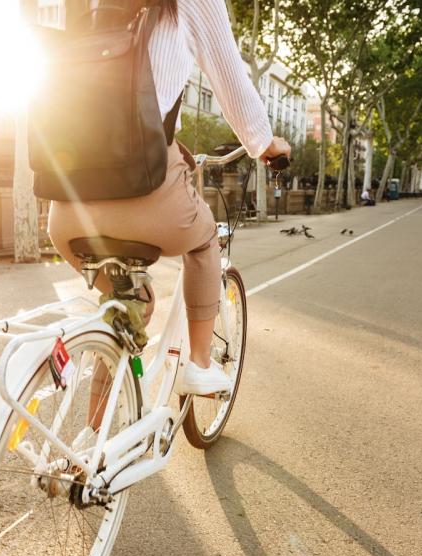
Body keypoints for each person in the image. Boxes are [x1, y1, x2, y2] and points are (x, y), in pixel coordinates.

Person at [48, 0, 290, 395]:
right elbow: (232, 81)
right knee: (205, 238)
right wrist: (265, 144)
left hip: (65, 215)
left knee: (127, 307)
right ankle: (199, 363)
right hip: (145, 194)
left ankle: (92, 444)